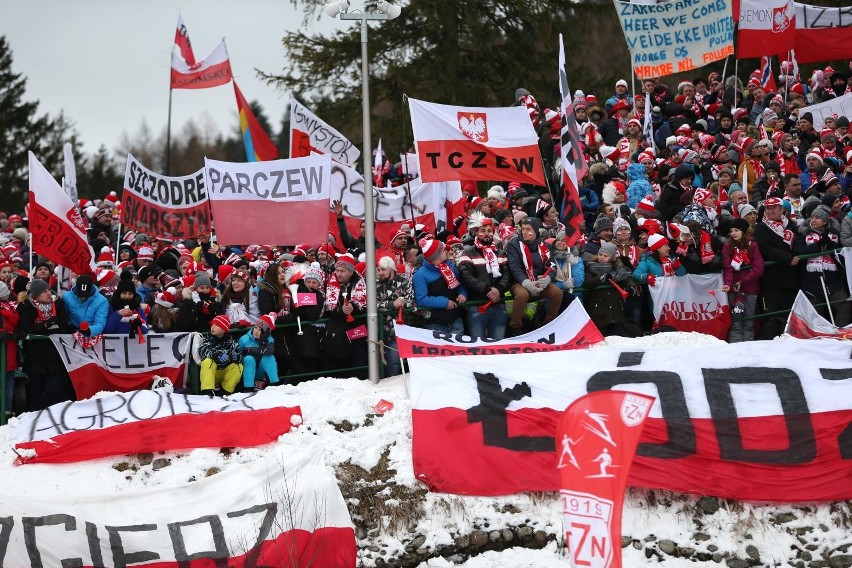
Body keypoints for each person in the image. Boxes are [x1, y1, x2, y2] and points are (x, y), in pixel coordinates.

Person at [17, 279, 75, 411]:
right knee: (35, 389)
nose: (48, 293)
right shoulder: (25, 306)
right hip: (35, 356)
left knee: (54, 388)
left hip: (55, 355)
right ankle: (31, 415)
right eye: (44, 291)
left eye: (48, 289)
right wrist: (46, 324)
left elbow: (63, 326)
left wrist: (42, 327)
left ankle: (40, 413)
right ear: (35, 295)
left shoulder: (58, 303)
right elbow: (26, 327)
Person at [793, 204, 851, 326]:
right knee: (817, 313)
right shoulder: (803, 235)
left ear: (824, 221)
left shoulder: (834, 235)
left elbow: (841, 254)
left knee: (844, 306)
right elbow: (798, 251)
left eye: (817, 218)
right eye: (812, 217)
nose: (813, 220)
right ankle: (822, 339)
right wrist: (817, 246)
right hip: (811, 282)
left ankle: (840, 334)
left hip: (833, 281)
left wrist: (830, 245)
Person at [506, 217, 563, 333]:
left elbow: (552, 266)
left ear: (536, 231)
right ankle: (515, 328)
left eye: (528, 229)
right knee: (522, 295)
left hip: (539, 281)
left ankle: (549, 324)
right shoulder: (513, 244)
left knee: (557, 293)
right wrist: (526, 282)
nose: (524, 232)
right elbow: (515, 267)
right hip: (519, 282)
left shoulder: (545, 246)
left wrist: (548, 278)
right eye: (523, 229)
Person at [456, 218, 511, 340]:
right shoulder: (467, 252)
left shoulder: (501, 253)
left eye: (489, 230)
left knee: (498, 344)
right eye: (483, 230)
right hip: (477, 306)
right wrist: (487, 290)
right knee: (477, 345)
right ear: (475, 232)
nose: (486, 234)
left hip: (498, 305)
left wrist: (498, 289)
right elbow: (466, 276)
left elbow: (507, 274)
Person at [753, 197, 800, 338]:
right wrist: (788, 258)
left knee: (789, 317)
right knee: (772, 319)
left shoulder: (790, 225)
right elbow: (765, 248)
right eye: (768, 208)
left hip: (791, 280)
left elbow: (797, 244)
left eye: (774, 208)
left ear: (782, 210)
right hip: (772, 281)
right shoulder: (761, 227)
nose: (771, 211)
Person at [323, 253, 368, 378]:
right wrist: (341, 310)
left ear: (351, 272)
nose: (338, 274)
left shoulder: (361, 282)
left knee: (359, 360)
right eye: (337, 270)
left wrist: (353, 307)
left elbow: (365, 306)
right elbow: (328, 309)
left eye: (342, 271)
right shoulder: (331, 283)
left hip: (357, 329)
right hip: (339, 333)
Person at [722, 218, 765, 342]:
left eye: (736, 230)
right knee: (735, 319)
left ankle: (749, 344)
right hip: (733, 290)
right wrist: (728, 284)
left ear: (743, 231)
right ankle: (736, 345)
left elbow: (758, 268)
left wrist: (742, 281)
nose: (733, 233)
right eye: (731, 231)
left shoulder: (753, 246)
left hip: (750, 288)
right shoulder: (727, 246)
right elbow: (727, 268)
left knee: (748, 319)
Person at [413, 238, 468, 335]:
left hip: (455, 319)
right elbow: (421, 299)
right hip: (435, 323)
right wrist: (444, 302)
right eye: (443, 250)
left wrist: (462, 294)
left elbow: (460, 285)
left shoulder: (450, 266)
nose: (446, 251)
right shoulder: (420, 275)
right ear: (436, 255)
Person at [375, 255, 414, 377]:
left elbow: (411, 302)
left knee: (394, 367)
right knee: (378, 370)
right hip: (377, 333)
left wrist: (402, 304)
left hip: (398, 332)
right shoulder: (374, 284)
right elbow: (371, 305)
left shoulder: (404, 281)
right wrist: (393, 304)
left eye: (383, 269)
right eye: (378, 269)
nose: (380, 273)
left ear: (391, 269)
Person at [583, 241, 634, 335]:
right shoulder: (591, 268)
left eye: (605, 256)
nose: (601, 257)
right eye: (600, 254)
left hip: (615, 308)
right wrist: (601, 279)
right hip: (598, 307)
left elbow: (626, 277)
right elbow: (587, 283)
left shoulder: (618, 268)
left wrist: (630, 286)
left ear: (612, 258)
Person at [198, 314, 243, 397]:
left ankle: (226, 391)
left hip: (224, 373)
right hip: (211, 373)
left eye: (217, 325)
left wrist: (236, 357)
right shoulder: (207, 339)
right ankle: (207, 391)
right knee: (207, 361)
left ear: (223, 329)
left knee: (238, 366)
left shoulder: (232, 342)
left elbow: (240, 354)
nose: (213, 327)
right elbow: (202, 351)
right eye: (213, 324)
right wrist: (215, 355)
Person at [238, 313, 279, 391]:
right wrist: (257, 350)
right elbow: (238, 356)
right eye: (255, 328)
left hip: (260, 372)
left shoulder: (269, 339)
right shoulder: (244, 339)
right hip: (246, 372)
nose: (256, 331)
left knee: (269, 357)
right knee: (248, 358)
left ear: (266, 332)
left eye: (260, 329)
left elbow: (269, 351)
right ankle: (248, 388)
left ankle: (275, 385)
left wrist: (250, 349)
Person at [103, 273, 148, 340]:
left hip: (132, 346)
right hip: (115, 345)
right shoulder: (112, 308)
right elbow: (107, 330)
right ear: (119, 294)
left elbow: (145, 331)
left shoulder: (138, 309)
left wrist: (137, 323)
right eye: (124, 293)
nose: (127, 296)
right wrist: (118, 315)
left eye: (130, 294)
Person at [63, 274, 109, 338]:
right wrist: (69, 325)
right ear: (76, 288)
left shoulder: (102, 301)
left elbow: (100, 322)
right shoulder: (66, 297)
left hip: (92, 336)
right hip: (70, 335)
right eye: (80, 294)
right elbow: (64, 316)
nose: (83, 297)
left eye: (86, 295)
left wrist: (90, 330)